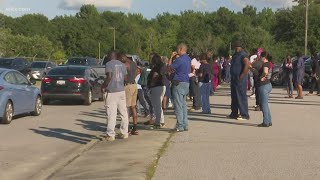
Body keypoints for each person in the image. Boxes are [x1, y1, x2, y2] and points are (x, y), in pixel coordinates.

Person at [102, 52, 129, 141]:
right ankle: (124, 132)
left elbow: (109, 76)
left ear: (110, 56)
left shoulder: (109, 64)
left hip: (112, 91)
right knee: (123, 113)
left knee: (111, 114)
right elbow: (125, 78)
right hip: (121, 90)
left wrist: (103, 86)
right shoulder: (122, 65)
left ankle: (111, 134)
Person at [168, 43, 191, 132]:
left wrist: (171, 58)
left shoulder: (179, 60)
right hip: (186, 82)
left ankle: (180, 125)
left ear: (181, 49)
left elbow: (169, 68)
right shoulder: (188, 59)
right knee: (183, 105)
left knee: (178, 106)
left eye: (177, 49)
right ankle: (185, 124)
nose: (177, 51)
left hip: (178, 83)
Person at [228, 41, 250, 120]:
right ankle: (234, 113)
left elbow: (247, 64)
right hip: (234, 78)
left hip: (240, 79)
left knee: (241, 96)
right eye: (235, 47)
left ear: (240, 47)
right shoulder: (235, 55)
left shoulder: (243, 54)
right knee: (234, 97)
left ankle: (244, 114)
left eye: (237, 47)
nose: (236, 49)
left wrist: (242, 75)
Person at [147, 54, 167, 129]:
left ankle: (158, 123)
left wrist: (151, 83)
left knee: (157, 106)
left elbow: (155, 76)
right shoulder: (162, 66)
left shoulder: (156, 68)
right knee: (158, 105)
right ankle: (161, 121)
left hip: (156, 87)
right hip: (161, 86)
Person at [122, 54, 139, 135]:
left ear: (124, 57)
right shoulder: (133, 63)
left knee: (127, 107)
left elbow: (124, 77)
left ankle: (127, 128)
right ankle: (135, 128)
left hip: (128, 85)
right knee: (133, 107)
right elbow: (136, 73)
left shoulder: (126, 65)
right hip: (134, 85)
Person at [257, 51, 273, 127]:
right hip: (268, 85)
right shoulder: (269, 63)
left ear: (263, 57)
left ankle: (265, 122)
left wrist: (261, 77)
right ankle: (269, 120)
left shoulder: (265, 64)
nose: (260, 58)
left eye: (260, 57)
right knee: (265, 104)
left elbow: (265, 72)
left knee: (263, 105)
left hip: (264, 86)